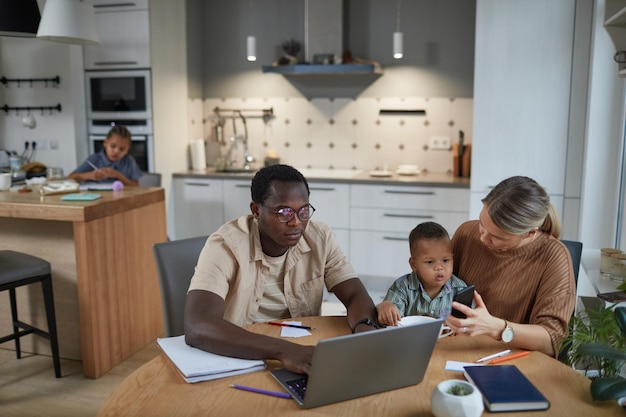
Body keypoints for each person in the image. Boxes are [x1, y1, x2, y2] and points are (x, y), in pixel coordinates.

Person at [184, 164, 379, 375]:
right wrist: (285, 351)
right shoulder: (226, 245)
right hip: (241, 355)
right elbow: (198, 325)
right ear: (256, 210)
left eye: (303, 211)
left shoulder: (320, 237)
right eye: (284, 212)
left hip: (301, 350)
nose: (296, 222)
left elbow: (355, 294)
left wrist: (365, 330)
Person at [446, 176, 576, 358]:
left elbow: (551, 340)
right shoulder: (467, 233)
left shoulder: (553, 257)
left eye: (497, 237)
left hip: (509, 360)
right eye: (482, 225)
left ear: (530, 233)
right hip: (457, 347)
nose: (483, 238)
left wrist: (497, 328)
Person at [378, 221, 468, 327]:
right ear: (414, 265)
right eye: (430, 262)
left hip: (447, 341)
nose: (439, 268)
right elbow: (390, 317)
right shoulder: (402, 288)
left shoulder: (460, 289)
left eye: (445, 260)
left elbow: (470, 321)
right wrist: (385, 307)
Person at [68, 125, 142, 186]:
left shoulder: (129, 161)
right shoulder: (95, 159)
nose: (116, 151)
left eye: (121, 150)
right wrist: (90, 175)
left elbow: (136, 186)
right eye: (113, 146)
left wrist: (116, 175)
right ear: (105, 143)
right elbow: (70, 178)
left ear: (127, 150)